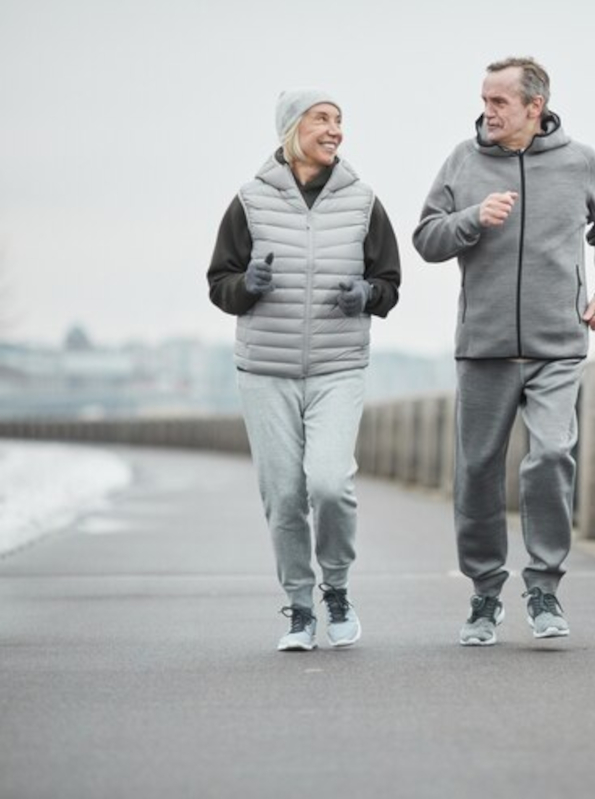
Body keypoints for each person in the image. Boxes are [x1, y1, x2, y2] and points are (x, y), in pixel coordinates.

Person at [413, 57, 595, 646]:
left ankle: (543, 588)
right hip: (482, 348)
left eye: (500, 101)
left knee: (552, 454)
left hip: (556, 346)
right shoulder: (463, 159)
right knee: (478, 473)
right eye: (485, 100)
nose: (488, 111)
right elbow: (426, 237)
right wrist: (470, 220)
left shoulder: (579, 162)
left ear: (535, 106)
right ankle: (484, 594)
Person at [207, 89, 401, 651]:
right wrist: (248, 287)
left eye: (339, 120)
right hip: (264, 370)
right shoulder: (249, 200)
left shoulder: (363, 201)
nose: (335, 128)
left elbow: (389, 283)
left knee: (330, 484)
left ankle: (335, 588)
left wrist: (365, 294)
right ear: (293, 129)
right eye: (322, 118)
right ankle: (298, 606)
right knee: (285, 495)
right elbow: (220, 281)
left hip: (338, 368)